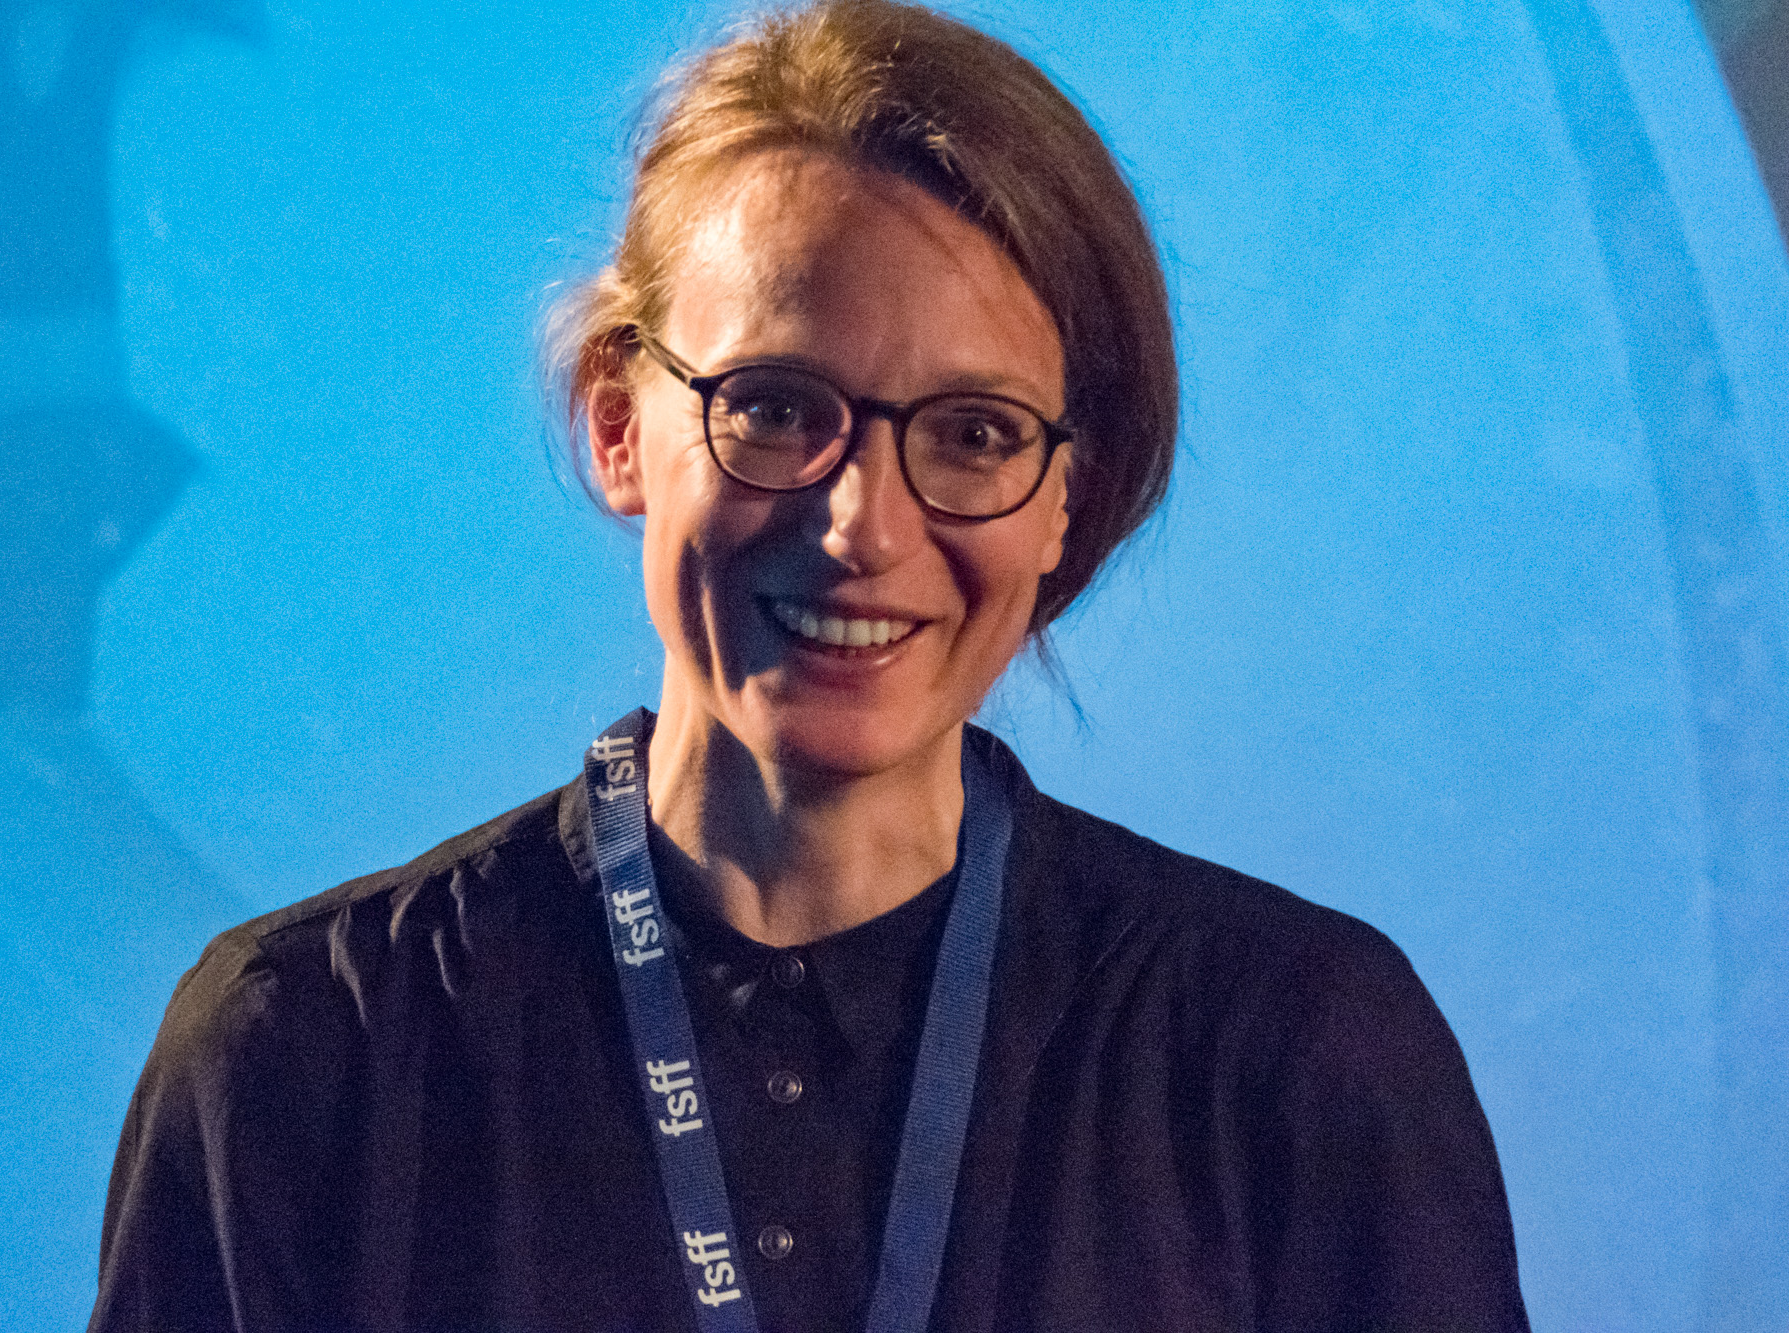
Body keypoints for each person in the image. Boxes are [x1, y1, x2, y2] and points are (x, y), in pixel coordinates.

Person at [88, 2, 1530, 1329]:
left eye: (974, 433)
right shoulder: (303, 1058)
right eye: (778, 408)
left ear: (1066, 497)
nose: (863, 528)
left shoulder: (1294, 1059)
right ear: (616, 421)